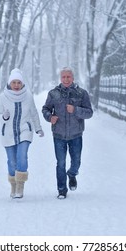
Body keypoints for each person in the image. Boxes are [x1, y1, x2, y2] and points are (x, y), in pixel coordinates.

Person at [42, 67, 93, 199]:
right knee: (61, 163)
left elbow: (89, 113)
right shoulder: (53, 93)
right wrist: (50, 117)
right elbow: (46, 109)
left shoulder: (82, 93)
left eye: (68, 77)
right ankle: (61, 190)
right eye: (63, 77)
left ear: (73, 78)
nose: (66, 79)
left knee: (76, 162)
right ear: (60, 78)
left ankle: (72, 174)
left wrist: (75, 110)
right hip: (58, 135)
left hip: (76, 135)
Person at [0, 68, 44, 198]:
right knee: (12, 161)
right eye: (14, 82)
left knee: (22, 156)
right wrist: (4, 117)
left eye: (18, 82)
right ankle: (14, 185)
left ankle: (20, 184)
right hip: (8, 133)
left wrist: (38, 128)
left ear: (22, 83)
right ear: (10, 83)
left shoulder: (28, 96)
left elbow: (33, 113)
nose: (16, 85)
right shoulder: (3, 97)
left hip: (24, 131)